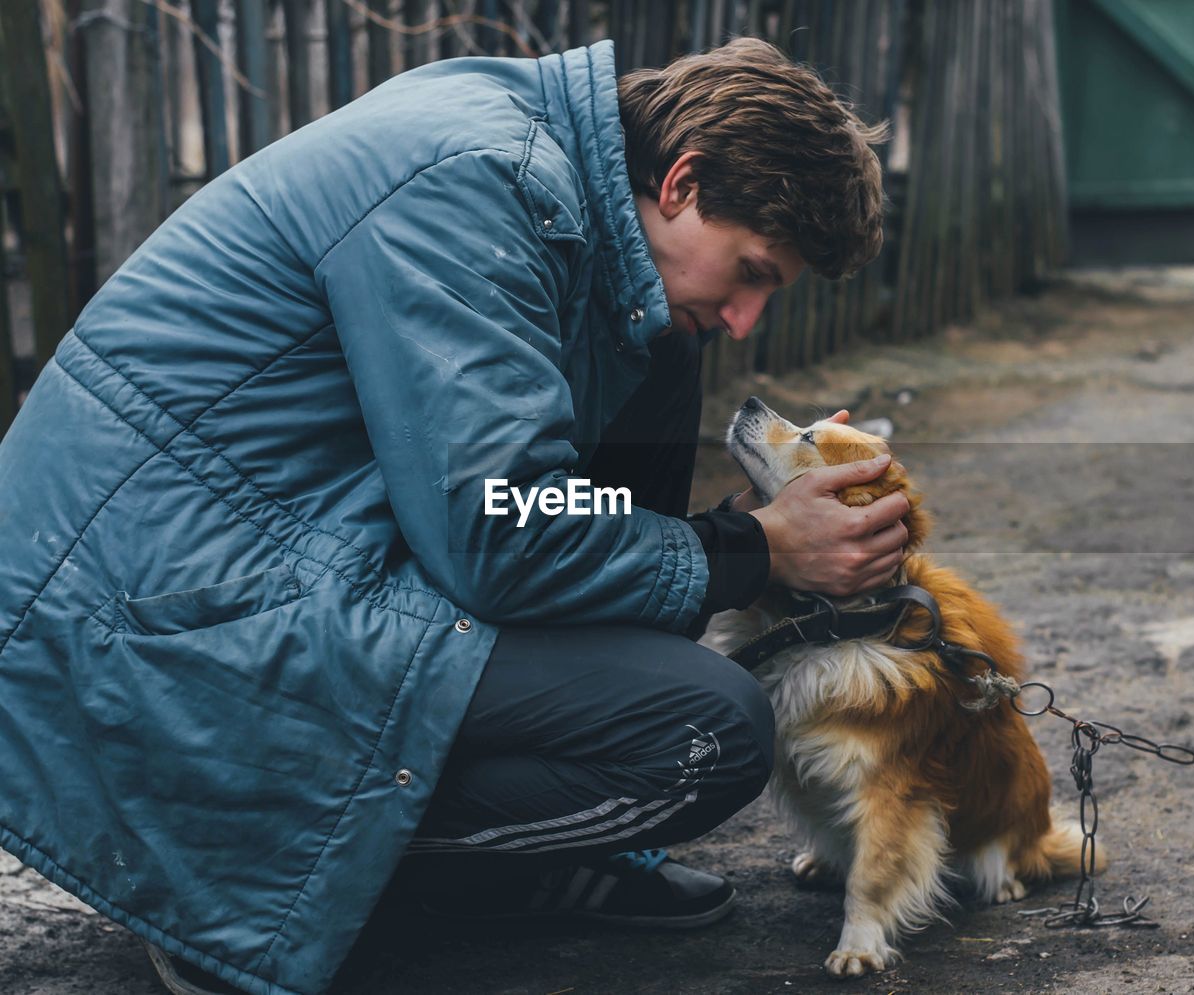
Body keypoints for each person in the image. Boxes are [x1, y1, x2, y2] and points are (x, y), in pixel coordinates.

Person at [0, 36, 908, 995]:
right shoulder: (475, 182)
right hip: (139, 621)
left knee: (661, 353)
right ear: (680, 182)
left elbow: (533, 508)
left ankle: (474, 870)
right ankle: (236, 860)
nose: (746, 319)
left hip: (266, 563)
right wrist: (753, 550)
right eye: (754, 270)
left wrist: (725, 538)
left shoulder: (556, 192)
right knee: (702, 734)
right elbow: (501, 533)